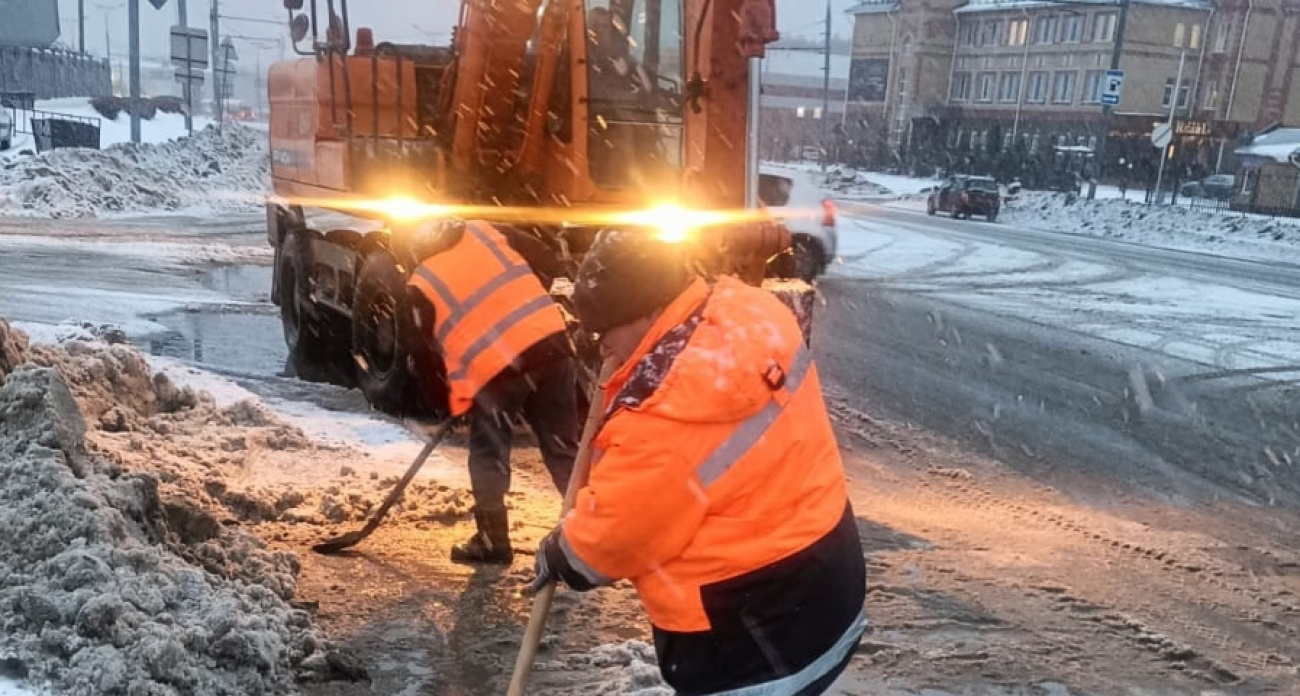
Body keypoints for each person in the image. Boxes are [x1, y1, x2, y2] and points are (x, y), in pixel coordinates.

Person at [530, 230, 867, 695]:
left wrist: (561, 553)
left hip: (752, 635)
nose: (601, 345)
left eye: (604, 330)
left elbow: (612, 541)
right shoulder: (752, 311)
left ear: (647, 311)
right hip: (827, 582)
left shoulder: (662, 409)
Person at [406, 220, 579, 564]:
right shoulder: (485, 231)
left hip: (496, 369)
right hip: (551, 345)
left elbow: (425, 358)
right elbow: (548, 258)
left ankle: (492, 541)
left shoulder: (420, 283)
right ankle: (590, 535)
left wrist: (445, 402)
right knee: (563, 447)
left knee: (489, 453)